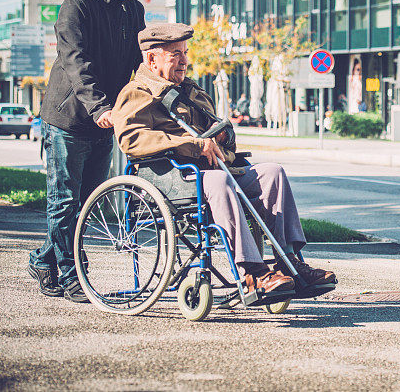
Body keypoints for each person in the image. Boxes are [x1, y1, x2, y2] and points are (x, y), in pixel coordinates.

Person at [112, 23, 336, 300]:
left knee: (272, 173)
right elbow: (131, 139)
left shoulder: (192, 91)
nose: (184, 61)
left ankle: (288, 263)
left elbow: (220, 137)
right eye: (175, 55)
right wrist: (192, 145)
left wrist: (223, 138)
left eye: (185, 53)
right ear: (151, 59)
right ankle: (252, 272)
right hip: (170, 176)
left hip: (212, 170)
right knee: (219, 180)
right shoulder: (136, 93)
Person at [28, 0, 146, 303]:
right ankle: (70, 274)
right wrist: (99, 107)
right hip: (69, 119)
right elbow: (76, 62)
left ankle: (41, 259)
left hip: (106, 119)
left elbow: (139, 62)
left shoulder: (134, 10)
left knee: (84, 201)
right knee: (63, 201)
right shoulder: (76, 5)